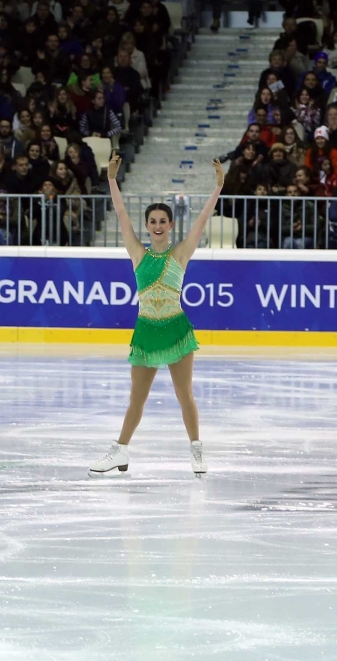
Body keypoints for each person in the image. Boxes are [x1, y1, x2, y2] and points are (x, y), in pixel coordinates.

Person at [90, 153, 225, 477]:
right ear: (147, 226)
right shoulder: (138, 253)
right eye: (153, 222)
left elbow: (203, 220)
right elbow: (121, 212)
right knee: (137, 399)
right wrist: (111, 178)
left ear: (170, 225)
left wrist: (219, 186)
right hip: (147, 332)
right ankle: (120, 450)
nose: (158, 226)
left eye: (163, 221)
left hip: (177, 330)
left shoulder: (181, 252)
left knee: (185, 396)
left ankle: (196, 450)